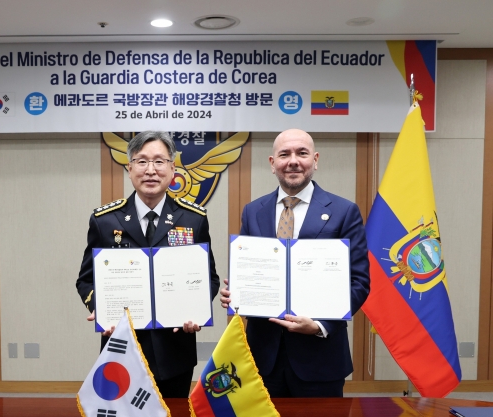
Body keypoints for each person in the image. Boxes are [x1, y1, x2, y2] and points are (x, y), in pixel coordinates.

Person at [220, 129, 370, 397]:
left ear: (315, 160)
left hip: (320, 358)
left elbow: (359, 282)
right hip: (263, 359)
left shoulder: (344, 211)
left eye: (301, 153)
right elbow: (249, 270)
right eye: (284, 154)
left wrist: (321, 325)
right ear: (272, 163)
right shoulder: (253, 211)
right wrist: (236, 293)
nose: (293, 161)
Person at [77, 131, 220, 398]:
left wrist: (196, 310)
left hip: (174, 351)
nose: (150, 170)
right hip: (122, 348)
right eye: (141, 162)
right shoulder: (105, 220)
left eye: (159, 161)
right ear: (129, 169)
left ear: (172, 168)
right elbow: (86, 280)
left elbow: (209, 278)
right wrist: (101, 309)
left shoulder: (194, 219)